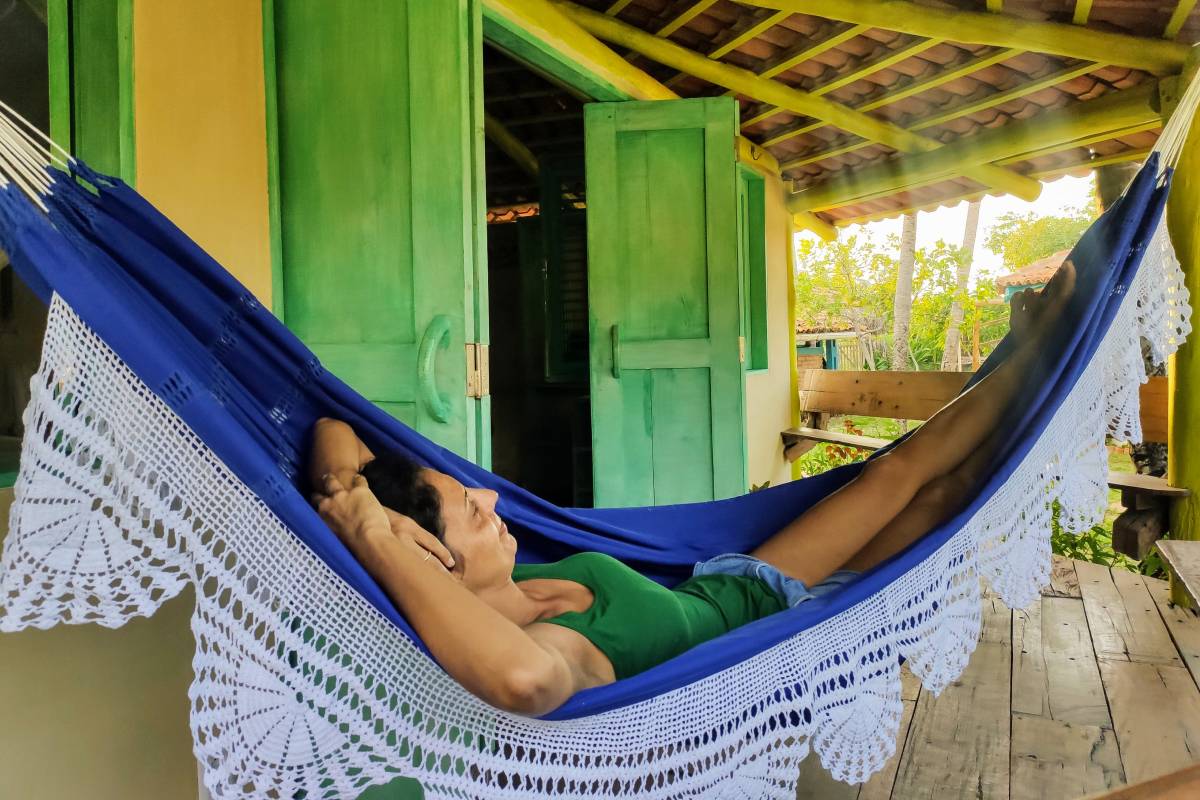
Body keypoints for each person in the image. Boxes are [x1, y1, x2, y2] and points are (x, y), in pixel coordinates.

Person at [309, 261, 1075, 717]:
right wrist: (373, 536)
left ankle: (1031, 361)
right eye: (473, 513)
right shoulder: (541, 646)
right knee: (938, 491)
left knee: (908, 476)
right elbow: (523, 680)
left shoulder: (520, 579)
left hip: (736, 583)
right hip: (772, 628)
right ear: (433, 560)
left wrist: (350, 493)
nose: (496, 501)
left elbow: (330, 423)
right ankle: (1042, 361)